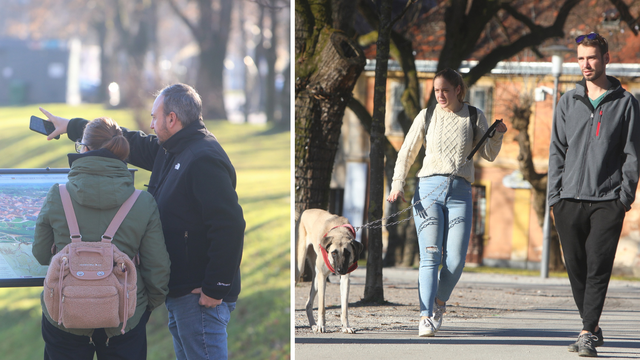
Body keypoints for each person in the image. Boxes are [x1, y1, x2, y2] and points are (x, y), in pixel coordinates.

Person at [40, 83, 246, 360]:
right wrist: (73, 126)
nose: (150, 124)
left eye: (154, 117)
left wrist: (215, 287)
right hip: (185, 293)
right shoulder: (172, 149)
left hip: (201, 296)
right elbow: (125, 141)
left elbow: (230, 225)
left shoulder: (202, 158)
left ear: (171, 119)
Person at [32, 117, 171, 360]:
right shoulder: (143, 202)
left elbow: (41, 254)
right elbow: (157, 269)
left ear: (84, 149)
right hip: (124, 316)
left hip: (65, 314)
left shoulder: (58, 195)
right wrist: (141, 308)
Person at [387, 68, 507, 337]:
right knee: (430, 256)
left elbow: (488, 155)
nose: (440, 95)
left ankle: (440, 302)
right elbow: (406, 151)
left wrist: (497, 134)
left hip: (460, 193)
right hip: (428, 190)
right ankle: (425, 315)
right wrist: (397, 184)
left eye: (445, 90)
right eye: (436, 90)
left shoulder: (474, 116)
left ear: (458, 90)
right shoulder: (427, 115)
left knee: (455, 261)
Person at [548, 32, 640, 357]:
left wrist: (623, 199)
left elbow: (632, 155)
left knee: (598, 265)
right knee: (575, 266)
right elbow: (556, 151)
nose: (586, 64)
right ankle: (594, 325)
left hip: (607, 201)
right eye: (581, 58)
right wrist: (554, 199)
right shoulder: (567, 101)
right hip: (568, 199)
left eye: (591, 57)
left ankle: (587, 332)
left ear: (606, 59)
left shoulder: (626, 104)